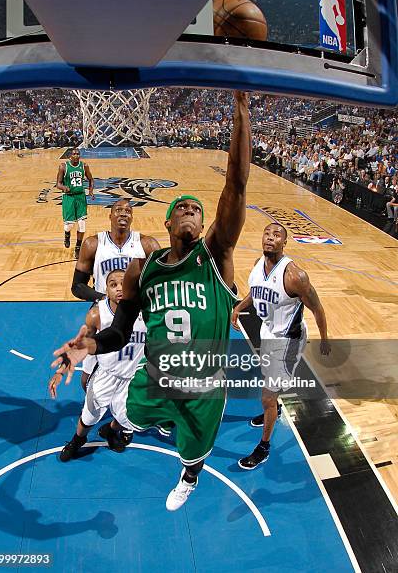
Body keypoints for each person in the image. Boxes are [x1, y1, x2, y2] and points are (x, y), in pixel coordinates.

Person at [52, 90, 251, 510]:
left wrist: (242, 110)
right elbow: (118, 331)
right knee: (126, 417)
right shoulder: (145, 268)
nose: (192, 213)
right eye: (183, 209)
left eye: (197, 210)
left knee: (193, 453)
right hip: (159, 375)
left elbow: (236, 183)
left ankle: (189, 476)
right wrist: (83, 345)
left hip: (205, 381)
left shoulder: (215, 255)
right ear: (168, 219)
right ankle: (129, 427)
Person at [231, 222, 331, 470]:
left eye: (277, 235)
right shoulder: (258, 265)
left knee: (267, 394)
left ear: (284, 243)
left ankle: (263, 447)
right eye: (267, 233)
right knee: (267, 383)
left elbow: (317, 308)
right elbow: (257, 292)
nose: (270, 238)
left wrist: (326, 339)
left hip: (288, 341)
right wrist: (239, 308)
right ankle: (272, 408)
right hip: (268, 332)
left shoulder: (295, 276)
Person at [49, 269, 146, 461]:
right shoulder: (97, 314)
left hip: (134, 376)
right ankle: (77, 440)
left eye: (123, 284)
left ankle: (110, 431)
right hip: (107, 373)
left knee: (127, 415)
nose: (119, 288)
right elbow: (85, 344)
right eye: (113, 285)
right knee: (89, 414)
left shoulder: (147, 311)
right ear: (106, 290)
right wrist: (65, 366)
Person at [71, 198, 160, 391]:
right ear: (110, 215)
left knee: (137, 370)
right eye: (118, 210)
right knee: (88, 378)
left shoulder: (147, 245)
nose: (123, 213)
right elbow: (77, 286)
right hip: (104, 314)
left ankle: (128, 413)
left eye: (128, 211)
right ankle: (94, 408)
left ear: (132, 217)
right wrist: (102, 298)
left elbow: (159, 283)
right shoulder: (93, 244)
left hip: (135, 315)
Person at [56, 148, 95, 259]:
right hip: (69, 197)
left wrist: (91, 191)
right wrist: (64, 187)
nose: (76, 155)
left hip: (80, 196)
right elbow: (58, 184)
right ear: (70, 156)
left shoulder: (84, 166)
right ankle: (67, 234)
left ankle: (78, 248)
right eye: (74, 154)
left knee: (82, 224)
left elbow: (91, 180)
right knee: (69, 226)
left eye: (78, 154)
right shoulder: (63, 166)